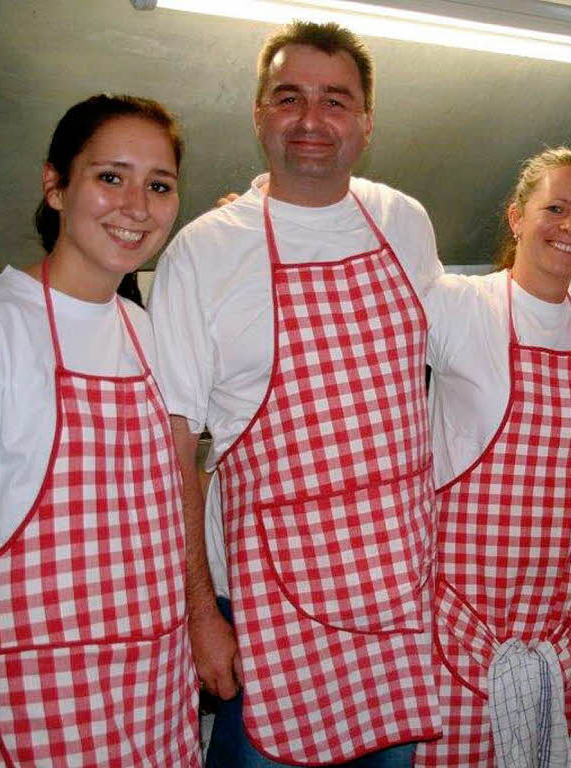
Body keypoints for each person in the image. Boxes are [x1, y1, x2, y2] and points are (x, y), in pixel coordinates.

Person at [148, 20, 443, 767]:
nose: (312, 120)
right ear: (258, 114)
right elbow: (173, 452)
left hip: (392, 595)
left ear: (366, 124)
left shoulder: (404, 223)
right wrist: (200, 616)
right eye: (289, 98)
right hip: (263, 603)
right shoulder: (203, 249)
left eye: (336, 101)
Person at [0, 94, 198, 766]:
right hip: (35, 706)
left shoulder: (146, 330)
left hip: (154, 694)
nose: (136, 206)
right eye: (111, 177)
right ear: (55, 186)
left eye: (158, 186)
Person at [415, 148, 571, 766]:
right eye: (554, 208)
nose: (570, 228)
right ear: (515, 217)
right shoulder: (457, 302)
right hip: (464, 618)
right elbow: (356, 322)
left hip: (568, 620)